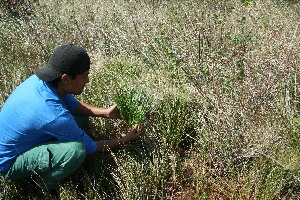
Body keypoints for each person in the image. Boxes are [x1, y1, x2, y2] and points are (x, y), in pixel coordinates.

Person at [0, 44, 141, 193]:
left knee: (82, 119)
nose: (87, 81)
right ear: (66, 79)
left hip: (18, 140)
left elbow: (71, 103)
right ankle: (41, 185)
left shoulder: (43, 81)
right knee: (77, 150)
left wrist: (106, 113)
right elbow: (92, 148)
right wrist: (124, 140)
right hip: (9, 161)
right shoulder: (54, 115)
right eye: (84, 76)